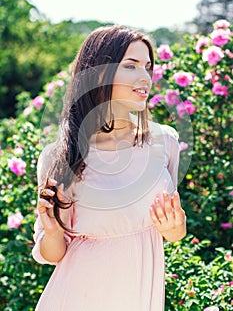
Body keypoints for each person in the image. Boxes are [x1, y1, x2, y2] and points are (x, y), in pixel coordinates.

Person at [32, 25, 186, 311]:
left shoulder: (164, 142)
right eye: (131, 65)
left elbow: (171, 232)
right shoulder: (60, 156)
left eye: (148, 67)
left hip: (141, 296)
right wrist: (52, 231)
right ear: (99, 73)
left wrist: (177, 228)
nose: (145, 77)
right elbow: (53, 254)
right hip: (76, 298)